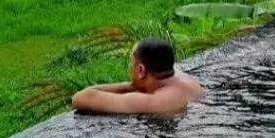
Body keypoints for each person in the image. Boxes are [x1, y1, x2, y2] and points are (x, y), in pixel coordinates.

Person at [71, 37, 203, 117]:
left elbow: (80, 98)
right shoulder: (185, 80)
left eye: (131, 62)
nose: (129, 67)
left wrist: (130, 86)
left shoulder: (153, 101)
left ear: (141, 70)